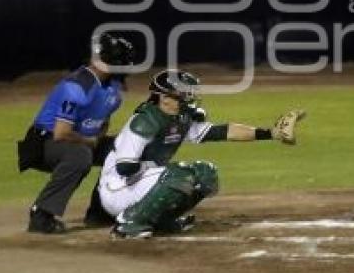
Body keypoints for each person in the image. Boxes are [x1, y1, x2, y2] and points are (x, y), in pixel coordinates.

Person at [101, 70, 306, 238]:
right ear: (164, 97)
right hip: (118, 189)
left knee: (206, 174)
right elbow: (124, 167)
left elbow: (221, 132)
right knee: (179, 175)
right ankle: (128, 223)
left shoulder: (179, 118)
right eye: (184, 93)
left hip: (141, 185)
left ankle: (161, 220)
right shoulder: (145, 120)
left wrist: (271, 133)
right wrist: (160, 175)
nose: (189, 98)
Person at [17, 33, 135, 234]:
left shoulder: (113, 87)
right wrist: (89, 141)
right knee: (80, 155)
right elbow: (61, 133)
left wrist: (97, 138)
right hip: (44, 142)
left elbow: (103, 120)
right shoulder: (77, 87)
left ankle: (101, 211)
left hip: (79, 140)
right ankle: (41, 214)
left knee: (125, 150)